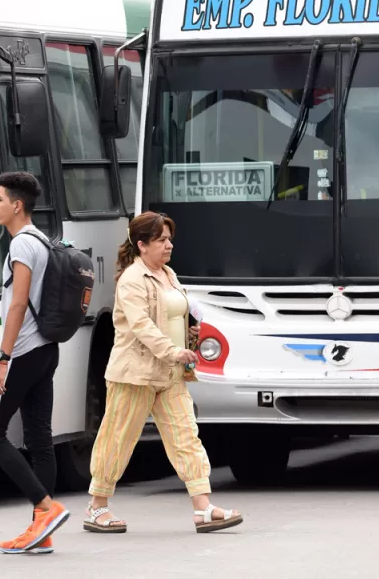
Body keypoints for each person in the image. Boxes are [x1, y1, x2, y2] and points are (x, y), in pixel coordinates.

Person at [85, 211, 243, 534]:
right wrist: (173, 351)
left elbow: (176, 315)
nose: (169, 245)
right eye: (161, 240)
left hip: (170, 374)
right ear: (142, 245)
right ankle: (97, 507)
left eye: (169, 239)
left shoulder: (168, 274)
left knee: (186, 436)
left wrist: (189, 335)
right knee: (118, 439)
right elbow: (142, 326)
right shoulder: (131, 281)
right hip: (134, 375)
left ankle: (203, 508)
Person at [0, 171, 70, 554]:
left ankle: (46, 508)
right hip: (47, 350)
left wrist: (3, 359)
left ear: (17, 205)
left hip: (25, 352)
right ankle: (41, 533)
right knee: (38, 439)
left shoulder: (21, 246)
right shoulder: (43, 241)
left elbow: (17, 304)